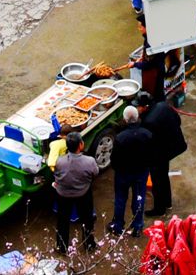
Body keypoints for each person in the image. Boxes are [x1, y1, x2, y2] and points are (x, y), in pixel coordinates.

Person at [107, 106, 153, 236]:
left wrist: (118, 169)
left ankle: (118, 226)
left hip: (123, 174)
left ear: (125, 120)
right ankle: (137, 226)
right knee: (139, 198)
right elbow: (152, 153)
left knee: (120, 199)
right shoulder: (147, 134)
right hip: (141, 172)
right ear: (137, 117)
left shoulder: (121, 138)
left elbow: (114, 159)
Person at [53, 134, 102, 253]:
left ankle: (61, 246)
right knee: (87, 219)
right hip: (83, 194)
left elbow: (57, 174)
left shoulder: (60, 160)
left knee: (63, 221)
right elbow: (95, 173)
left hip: (63, 194)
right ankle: (89, 244)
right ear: (80, 145)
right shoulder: (89, 161)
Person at [140, 94, 187, 215]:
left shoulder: (148, 122)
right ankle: (167, 202)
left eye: (137, 107)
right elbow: (178, 120)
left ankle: (159, 209)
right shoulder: (163, 105)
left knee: (158, 180)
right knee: (164, 176)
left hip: (161, 152)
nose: (136, 109)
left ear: (145, 107)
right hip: (175, 144)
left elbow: (149, 142)